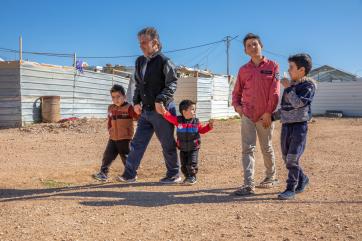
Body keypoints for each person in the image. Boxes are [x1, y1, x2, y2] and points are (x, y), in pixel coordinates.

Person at [118, 27, 181, 184]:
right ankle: (129, 174)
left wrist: (160, 100)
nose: (141, 46)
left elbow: (172, 83)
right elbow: (139, 85)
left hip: (163, 110)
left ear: (156, 43)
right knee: (137, 143)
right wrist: (137, 102)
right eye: (140, 43)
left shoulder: (165, 62)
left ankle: (174, 174)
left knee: (167, 143)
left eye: (144, 42)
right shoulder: (139, 62)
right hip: (145, 111)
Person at [232, 33, 280, 196]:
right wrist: (237, 107)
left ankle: (271, 177)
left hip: (264, 117)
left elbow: (274, 92)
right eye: (248, 46)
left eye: (255, 44)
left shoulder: (273, 66)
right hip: (247, 115)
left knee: (266, 147)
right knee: (248, 149)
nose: (252, 47)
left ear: (261, 46)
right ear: (245, 51)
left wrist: (268, 113)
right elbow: (236, 92)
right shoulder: (243, 70)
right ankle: (248, 184)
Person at [272, 53, 316, 200]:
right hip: (286, 127)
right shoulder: (290, 87)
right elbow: (285, 108)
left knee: (292, 158)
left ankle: (291, 187)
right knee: (287, 158)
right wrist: (271, 117)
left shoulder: (308, 86)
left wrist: (288, 88)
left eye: (291, 67)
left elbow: (298, 104)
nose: (289, 70)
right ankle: (303, 178)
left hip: (299, 128)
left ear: (301, 70)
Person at [160, 99, 213, 185]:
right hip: (183, 148)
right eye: (192, 109)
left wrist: (209, 126)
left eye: (194, 110)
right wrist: (163, 111)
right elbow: (169, 117)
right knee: (184, 165)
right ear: (184, 111)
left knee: (191, 163)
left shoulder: (196, 122)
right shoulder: (178, 120)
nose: (194, 111)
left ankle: (192, 177)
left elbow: (202, 130)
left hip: (193, 148)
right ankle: (187, 177)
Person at [93, 84, 139, 181]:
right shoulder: (111, 108)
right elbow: (110, 121)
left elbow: (138, 118)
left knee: (126, 157)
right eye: (113, 97)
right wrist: (110, 129)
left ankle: (131, 174)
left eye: (118, 97)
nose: (116, 99)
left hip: (125, 139)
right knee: (107, 156)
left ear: (124, 97)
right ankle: (103, 173)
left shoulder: (129, 108)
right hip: (113, 138)